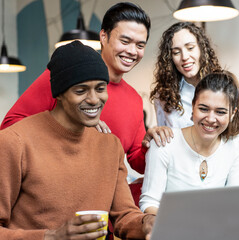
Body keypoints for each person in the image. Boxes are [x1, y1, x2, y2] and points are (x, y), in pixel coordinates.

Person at [0, 41, 154, 240]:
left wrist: (147, 223)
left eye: (100, 88)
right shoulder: (14, 142)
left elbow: (124, 216)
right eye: (80, 91)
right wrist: (51, 237)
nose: (93, 99)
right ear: (60, 95)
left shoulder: (110, 145)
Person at [0, 2, 171, 174]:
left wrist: (150, 145)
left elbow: (136, 161)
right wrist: (74, 127)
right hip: (55, 184)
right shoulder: (66, 75)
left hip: (103, 194)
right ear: (104, 37)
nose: (132, 51)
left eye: (140, 45)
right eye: (125, 41)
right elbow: (9, 127)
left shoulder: (133, 99)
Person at [140, 71, 239, 214]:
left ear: (232, 113)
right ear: (193, 106)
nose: (210, 119)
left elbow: (235, 203)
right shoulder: (164, 142)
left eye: (220, 112)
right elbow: (150, 202)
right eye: (203, 109)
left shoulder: (237, 144)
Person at [149, 21, 239, 129]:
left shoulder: (227, 85)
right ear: (170, 58)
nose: (184, 57)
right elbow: (163, 137)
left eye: (190, 48)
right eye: (176, 52)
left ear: (201, 49)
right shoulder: (163, 95)